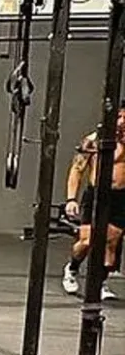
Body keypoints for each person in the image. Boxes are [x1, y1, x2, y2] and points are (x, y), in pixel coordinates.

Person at [64, 107, 125, 301]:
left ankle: (100, 282)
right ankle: (72, 268)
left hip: (120, 197)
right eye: (119, 117)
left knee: (111, 244)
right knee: (87, 241)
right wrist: (71, 199)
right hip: (96, 195)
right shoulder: (93, 140)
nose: (122, 121)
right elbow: (77, 169)